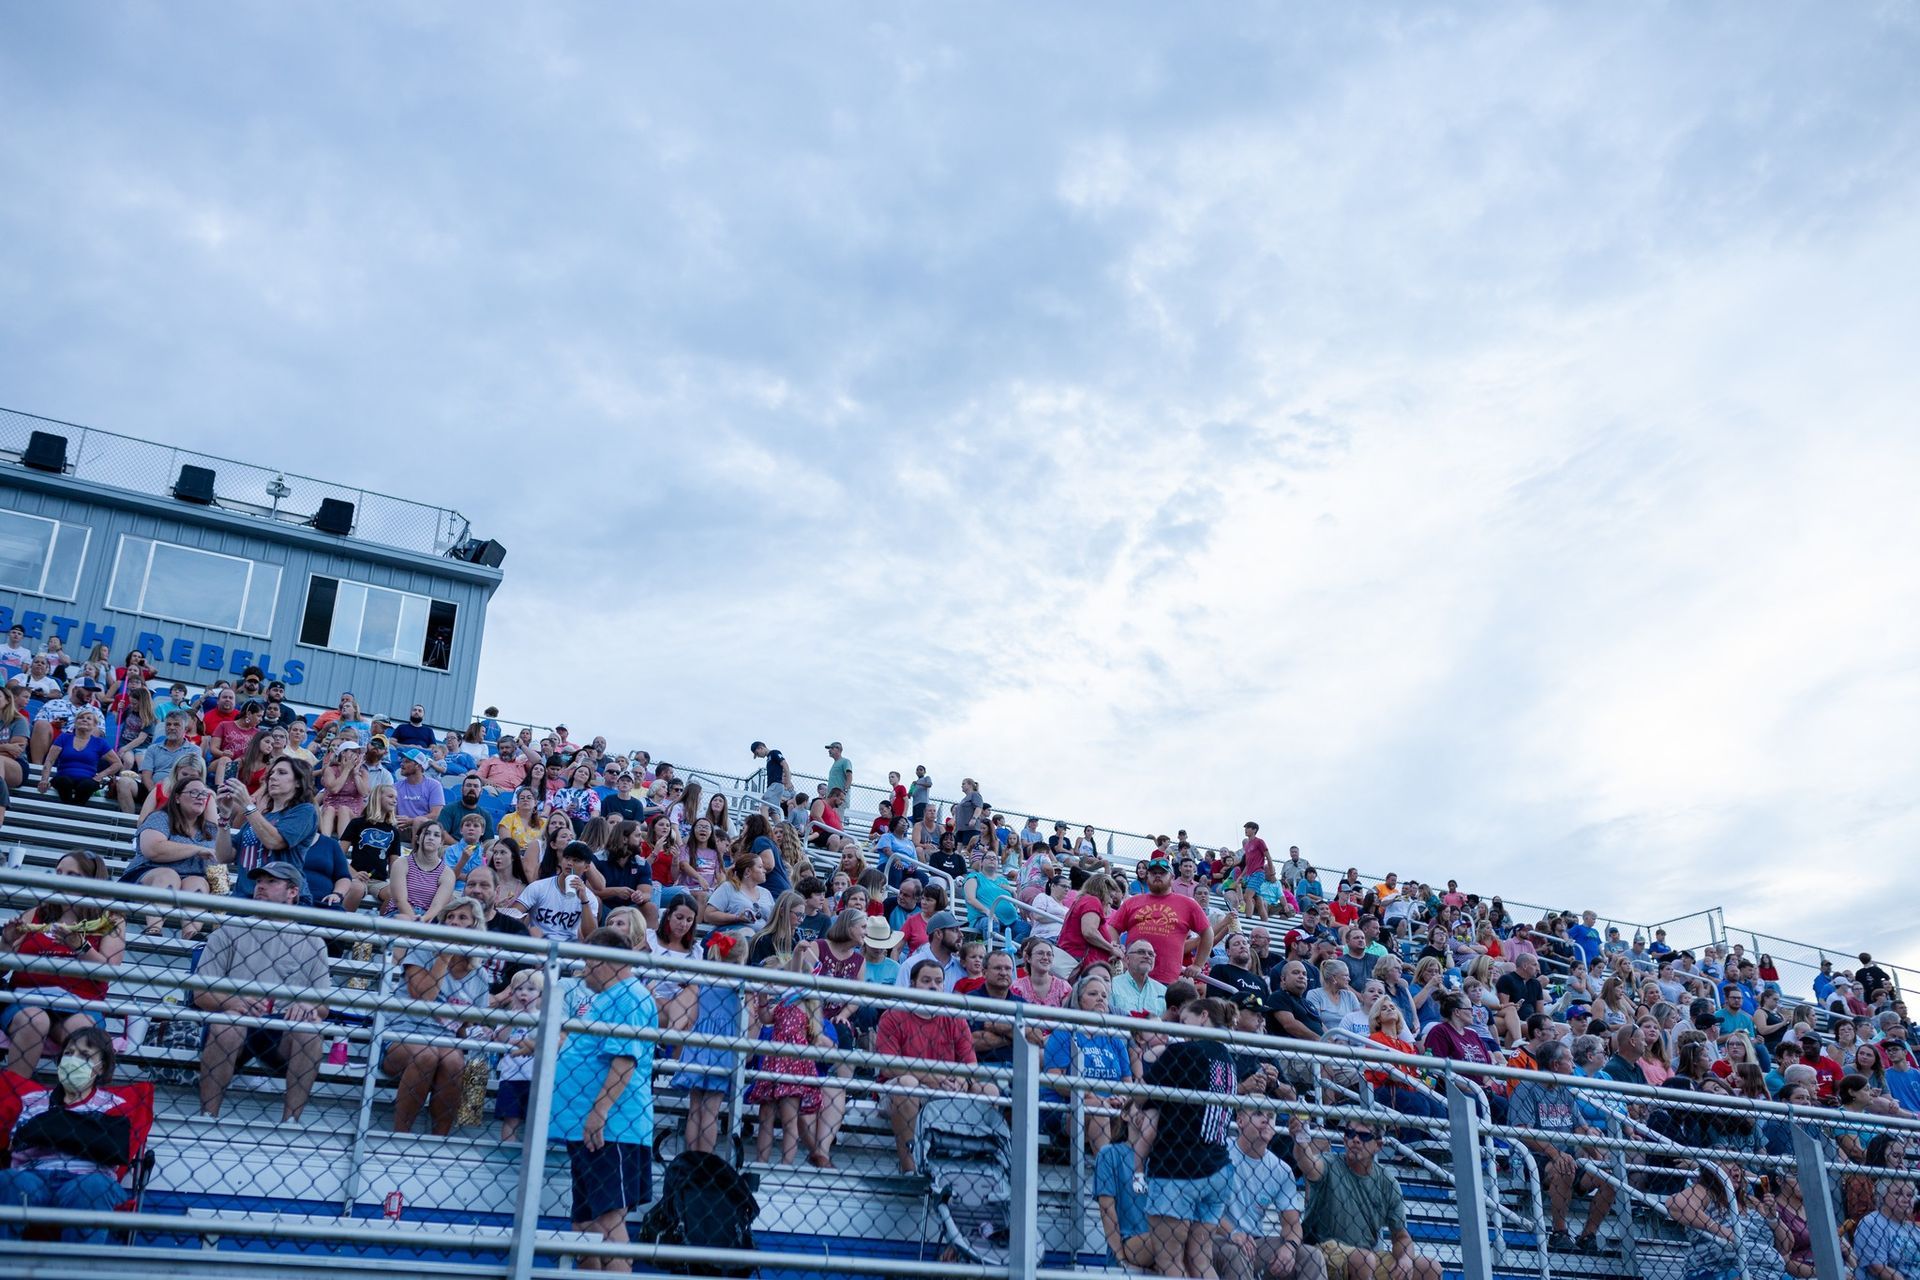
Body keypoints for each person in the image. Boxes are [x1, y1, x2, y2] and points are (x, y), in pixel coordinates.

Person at [551, 927, 658, 1272]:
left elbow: (624, 1060)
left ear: (604, 960)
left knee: (609, 1222)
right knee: (585, 1226)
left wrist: (600, 1111)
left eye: (588, 962)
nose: (584, 970)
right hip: (590, 1128)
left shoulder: (630, 996)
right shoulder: (606, 998)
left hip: (611, 1128)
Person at [194, 863, 332, 1122]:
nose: (261, 886)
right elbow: (200, 994)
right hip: (234, 1020)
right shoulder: (229, 930)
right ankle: (207, 1117)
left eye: (271, 882)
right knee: (227, 1026)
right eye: (260, 881)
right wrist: (233, 1001)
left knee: (310, 1030)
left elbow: (323, 1006)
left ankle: (291, 1122)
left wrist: (306, 1006)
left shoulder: (312, 941)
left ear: (293, 892)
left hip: (281, 1030)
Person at [0, 1026, 150, 1244]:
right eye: (69, 1054)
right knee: (10, 1180)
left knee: (94, 1188)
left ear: (101, 1067)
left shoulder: (115, 1105)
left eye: (85, 1055)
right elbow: (21, 1145)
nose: (74, 1060)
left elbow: (113, 1151)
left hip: (86, 1179)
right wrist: (85, 1134)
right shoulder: (33, 1099)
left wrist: (48, 1128)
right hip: (34, 1177)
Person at [1141, 997, 1240, 1279]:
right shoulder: (1227, 1057)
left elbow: (1144, 1096)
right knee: (1200, 1257)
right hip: (1218, 1167)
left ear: (1203, 1016)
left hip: (1177, 1166)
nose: (1180, 1029)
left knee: (1170, 1260)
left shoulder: (1181, 1052)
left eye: (1184, 1021)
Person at [2, 851, 125, 1078]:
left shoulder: (111, 919)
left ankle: (71, 1104)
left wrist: (80, 947)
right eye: (58, 873)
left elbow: (108, 971)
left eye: (72, 874)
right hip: (28, 999)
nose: (62, 879)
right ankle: (12, 1100)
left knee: (81, 1034)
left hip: (81, 1003)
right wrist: (6, 944)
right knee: (35, 1021)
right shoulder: (37, 913)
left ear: (91, 882)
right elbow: (3, 969)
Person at [876, 958, 997, 1174]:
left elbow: (971, 1065)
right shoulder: (893, 1016)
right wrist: (931, 1078)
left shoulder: (954, 1018)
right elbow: (888, 1067)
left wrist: (962, 1081)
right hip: (903, 1089)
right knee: (907, 1083)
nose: (933, 986)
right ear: (912, 984)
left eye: (938, 981)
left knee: (990, 1090)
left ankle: (976, 1170)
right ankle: (910, 1169)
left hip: (946, 1087)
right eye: (926, 980)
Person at [380, 896, 489, 1135]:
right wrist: (444, 955)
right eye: (449, 917)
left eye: (462, 918)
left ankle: (438, 1141)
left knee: (454, 1061)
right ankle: (401, 1135)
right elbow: (425, 998)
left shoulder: (479, 976)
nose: (454, 922)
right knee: (426, 1054)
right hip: (402, 1033)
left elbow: (467, 1028)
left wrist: (480, 1031)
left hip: (445, 1040)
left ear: (474, 926)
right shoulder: (422, 950)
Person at [1294, 1112, 1443, 1280]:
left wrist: (1406, 1259)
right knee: (1364, 1260)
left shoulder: (1387, 1181)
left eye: (1364, 1136)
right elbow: (1307, 1163)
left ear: (1378, 1145)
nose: (1355, 1139)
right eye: (1350, 1134)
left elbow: (1401, 1236)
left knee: (1430, 1268)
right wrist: (1300, 1138)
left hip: (1366, 1257)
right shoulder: (1329, 1163)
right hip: (1322, 1249)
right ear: (1344, 1139)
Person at [1508, 1040, 1616, 1252]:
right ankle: (1559, 1233)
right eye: (1569, 1060)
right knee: (1564, 1166)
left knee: (1609, 1175)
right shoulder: (1527, 1088)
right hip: (1534, 1160)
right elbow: (1523, 1131)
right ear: (1556, 1065)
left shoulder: (1565, 1091)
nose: (1574, 1065)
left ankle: (1588, 1236)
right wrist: (1555, 1154)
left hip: (1566, 1157)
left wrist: (1597, 1157)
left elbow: (1580, 1129)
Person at [1216, 1104, 1327, 1280]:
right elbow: (1203, 1208)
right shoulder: (1219, 1153)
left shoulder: (1281, 1169)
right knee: (1236, 1252)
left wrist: (1289, 1248)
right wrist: (1233, 1234)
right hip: (1216, 1239)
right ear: (1240, 1121)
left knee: (1311, 1256)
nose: (1266, 1119)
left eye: (1271, 1115)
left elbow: (1292, 1224)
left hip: (1255, 1244)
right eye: (1258, 1113)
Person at [1667, 1161, 1791, 1280]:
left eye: (1738, 1164)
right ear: (1711, 1169)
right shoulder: (1704, 1192)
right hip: (1718, 1270)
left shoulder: (1751, 1201)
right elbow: (1676, 1205)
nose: (1736, 1168)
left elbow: (1787, 1246)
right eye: (1727, 1162)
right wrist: (1721, 1231)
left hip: (1770, 1273)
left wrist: (1773, 1218)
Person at [220, 759, 320, 897]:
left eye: (282, 772)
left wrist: (247, 804)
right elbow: (224, 856)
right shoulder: (259, 818)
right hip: (244, 898)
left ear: (298, 782)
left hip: (284, 902)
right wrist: (224, 816)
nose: (272, 776)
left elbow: (274, 841)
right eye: (272, 773)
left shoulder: (305, 811)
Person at [1110, 856, 1213, 987]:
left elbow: (1207, 933)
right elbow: (1113, 927)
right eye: (1153, 873)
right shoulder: (1131, 902)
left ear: (1172, 877)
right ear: (1147, 877)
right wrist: (1116, 949)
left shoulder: (1188, 904)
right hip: (1131, 976)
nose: (1157, 875)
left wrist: (1198, 964)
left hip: (1167, 979)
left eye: (1163, 873)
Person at [519, 840, 601, 940]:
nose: (570, 863)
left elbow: (591, 936)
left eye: (576, 860)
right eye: (567, 858)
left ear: (586, 867)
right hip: (539, 943)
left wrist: (584, 901)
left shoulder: (589, 897)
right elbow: (514, 914)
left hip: (569, 947)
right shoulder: (539, 887)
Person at [38, 706, 120, 805]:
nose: (84, 720)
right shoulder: (64, 738)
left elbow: (117, 763)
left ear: (95, 725)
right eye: (81, 718)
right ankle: (70, 808)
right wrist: (44, 780)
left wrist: (99, 777)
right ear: (75, 722)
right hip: (64, 778)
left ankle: (74, 809)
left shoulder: (100, 743)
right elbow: (50, 760)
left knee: (87, 785)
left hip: (87, 781)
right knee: (64, 781)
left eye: (88, 718)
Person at [1854, 1179, 1920, 1280]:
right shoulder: (1872, 1223)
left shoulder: (1913, 1229)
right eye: (1898, 1193)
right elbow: (1878, 1268)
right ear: (1882, 1196)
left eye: (1910, 1195)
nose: (1905, 1199)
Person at [1112, 940, 1170, 1018]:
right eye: (1141, 952)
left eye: (1151, 954)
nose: (1147, 956)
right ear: (1127, 959)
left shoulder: (1163, 991)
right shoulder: (1112, 985)